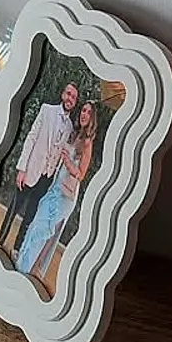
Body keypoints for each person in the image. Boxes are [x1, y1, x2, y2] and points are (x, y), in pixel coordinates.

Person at [15, 99, 99, 282]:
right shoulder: (73, 134)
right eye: (83, 110)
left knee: (41, 228)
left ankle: (23, 270)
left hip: (65, 195)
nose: (84, 114)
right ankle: (22, 264)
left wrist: (68, 161)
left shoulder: (87, 143)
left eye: (88, 112)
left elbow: (81, 174)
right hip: (54, 187)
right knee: (36, 224)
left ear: (92, 119)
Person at [0, 81, 77, 250]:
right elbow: (31, 138)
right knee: (14, 208)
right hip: (31, 170)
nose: (70, 98)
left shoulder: (69, 127)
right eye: (68, 94)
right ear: (63, 94)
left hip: (46, 178)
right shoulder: (47, 110)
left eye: (73, 97)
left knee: (30, 216)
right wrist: (22, 169)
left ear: (75, 102)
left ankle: (16, 249)